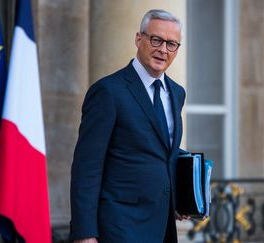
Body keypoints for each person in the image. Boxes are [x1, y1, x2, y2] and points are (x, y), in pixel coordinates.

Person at [70, 9, 187, 243]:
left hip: (163, 228)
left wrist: (182, 195)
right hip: (120, 227)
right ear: (139, 39)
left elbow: (162, 152)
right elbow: (87, 168)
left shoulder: (177, 93)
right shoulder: (108, 91)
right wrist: (85, 233)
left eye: (171, 44)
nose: (163, 50)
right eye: (156, 40)